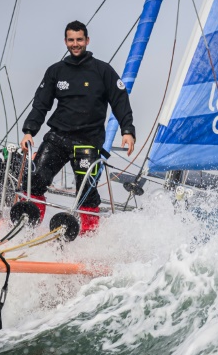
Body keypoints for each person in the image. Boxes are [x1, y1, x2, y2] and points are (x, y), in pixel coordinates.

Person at [19, 20, 135, 234]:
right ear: (65, 42)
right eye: (71, 40)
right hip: (58, 138)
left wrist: (127, 131)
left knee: (87, 193)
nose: (75, 44)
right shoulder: (55, 71)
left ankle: (88, 240)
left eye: (79, 39)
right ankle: (26, 229)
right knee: (34, 180)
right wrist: (29, 131)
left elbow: (120, 100)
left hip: (88, 143)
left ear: (87, 40)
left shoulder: (103, 70)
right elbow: (41, 104)